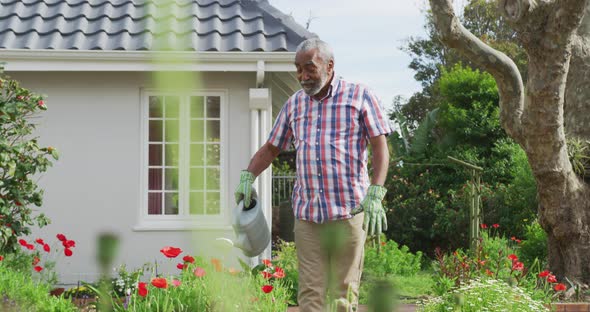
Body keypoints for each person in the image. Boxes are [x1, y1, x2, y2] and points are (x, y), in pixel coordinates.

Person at [234, 38, 392, 312]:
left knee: (343, 295)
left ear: (330, 66)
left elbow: (380, 147)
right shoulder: (295, 105)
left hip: (348, 212)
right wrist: (248, 175)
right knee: (310, 295)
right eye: (298, 69)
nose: (303, 76)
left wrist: (376, 191)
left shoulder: (359, 96)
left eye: (309, 68)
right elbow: (271, 148)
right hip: (308, 216)